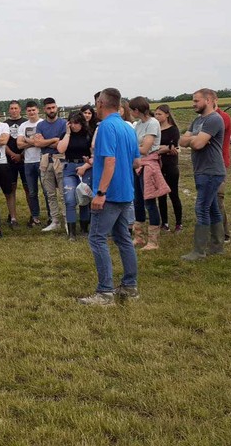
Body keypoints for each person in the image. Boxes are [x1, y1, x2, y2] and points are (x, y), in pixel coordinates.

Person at [78, 88, 141, 306]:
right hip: (126, 192)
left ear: (102, 104)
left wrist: (101, 192)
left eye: (97, 103)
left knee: (97, 238)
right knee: (123, 238)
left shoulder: (105, 127)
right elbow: (136, 162)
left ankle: (105, 292)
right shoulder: (127, 127)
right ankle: (130, 286)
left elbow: (110, 161)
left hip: (110, 194)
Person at [179, 89, 226, 262]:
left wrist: (194, 139)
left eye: (196, 101)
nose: (193, 104)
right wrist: (194, 139)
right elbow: (182, 141)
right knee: (212, 208)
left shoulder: (214, 119)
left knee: (201, 208)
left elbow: (197, 144)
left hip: (211, 171)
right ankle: (217, 246)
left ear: (208, 100)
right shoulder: (198, 120)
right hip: (202, 170)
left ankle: (199, 251)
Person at [129, 96, 167, 250]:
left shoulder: (152, 123)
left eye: (131, 110)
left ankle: (153, 241)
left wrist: (126, 148)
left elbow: (145, 149)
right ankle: (139, 237)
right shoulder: (138, 124)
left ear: (137, 110)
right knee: (138, 201)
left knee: (150, 203)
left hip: (148, 165)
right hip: (138, 165)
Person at [32, 97, 67, 231]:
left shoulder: (63, 123)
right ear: (44, 109)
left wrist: (46, 141)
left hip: (61, 160)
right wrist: (53, 140)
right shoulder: (40, 125)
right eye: (48, 108)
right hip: (46, 161)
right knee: (50, 194)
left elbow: (62, 144)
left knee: (64, 194)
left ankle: (66, 220)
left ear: (56, 107)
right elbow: (37, 143)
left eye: (53, 107)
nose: (51, 110)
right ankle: (55, 220)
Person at [57, 111, 92, 240]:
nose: (74, 126)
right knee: (70, 199)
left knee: (84, 198)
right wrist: (67, 133)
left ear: (82, 123)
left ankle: (84, 228)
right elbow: (60, 150)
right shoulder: (66, 134)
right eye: (71, 123)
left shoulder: (88, 135)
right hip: (69, 167)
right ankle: (72, 232)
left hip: (85, 167)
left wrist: (84, 167)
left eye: (76, 123)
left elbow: (94, 155)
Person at [154, 104, 183, 232]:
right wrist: (162, 148)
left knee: (173, 194)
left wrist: (161, 149)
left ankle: (178, 223)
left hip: (170, 165)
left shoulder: (173, 129)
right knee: (161, 195)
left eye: (160, 114)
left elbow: (173, 148)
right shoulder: (155, 130)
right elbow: (152, 146)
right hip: (157, 165)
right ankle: (164, 222)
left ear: (167, 114)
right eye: (156, 114)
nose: (157, 116)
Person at [17, 101, 44, 228]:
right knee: (32, 192)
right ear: (26, 112)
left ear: (38, 110)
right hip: (28, 162)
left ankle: (51, 217)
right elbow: (19, 144)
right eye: (29, 110)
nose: (32, 112)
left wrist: (27, 140)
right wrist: (34, 142)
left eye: (33, 110)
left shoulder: (43, 123)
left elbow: (44, 142)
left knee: (46, 191)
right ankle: (35, 216)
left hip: (42, 160)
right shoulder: (23, 126)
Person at [213, 97, 231, 242]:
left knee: (217, 199)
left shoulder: (223, 117)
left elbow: (202, 140)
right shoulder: (203, 118)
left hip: (219, 164)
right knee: (210, 200)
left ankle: (224, 234)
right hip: (207, 164)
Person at [5, 101, 28, 227]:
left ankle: (33, 215)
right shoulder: (4, 124)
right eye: (11, 108)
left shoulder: (25, 123)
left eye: (16, 108)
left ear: (20, 109)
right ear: (9, 110)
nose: (14, 110)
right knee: (11, 189)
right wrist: (13, 154)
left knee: (28, 188)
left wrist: (21, 155)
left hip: (25, 159)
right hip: (10, 159)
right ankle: (12, 216)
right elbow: (4, 143)